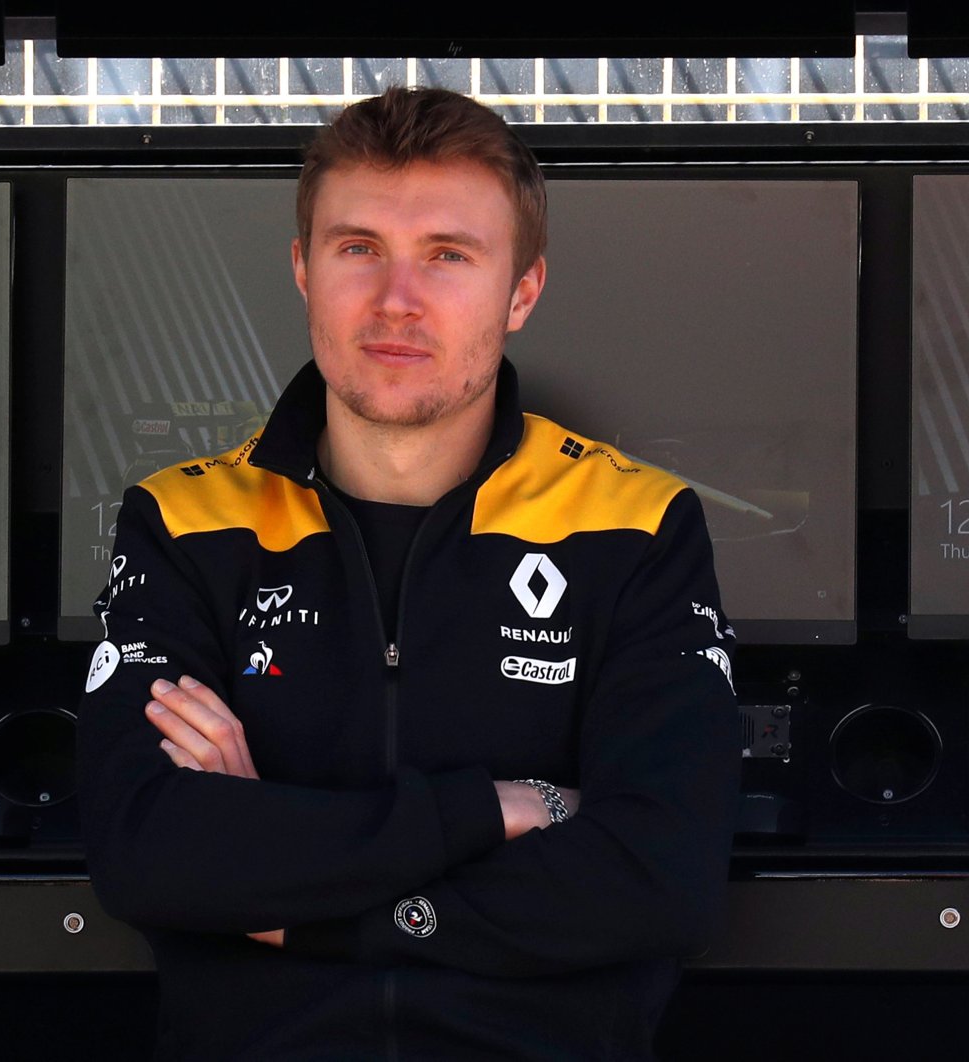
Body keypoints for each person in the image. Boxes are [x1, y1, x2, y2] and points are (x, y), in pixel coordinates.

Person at [78, 86, 740, 1061]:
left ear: (522, 289)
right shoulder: (185, 521)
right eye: (359, 249)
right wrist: (500, 810)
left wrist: (294, 883)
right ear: (304, 270)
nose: (397, 301)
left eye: (448, 256)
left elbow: (656, 880)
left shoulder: (635, 523)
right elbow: (153, 856)